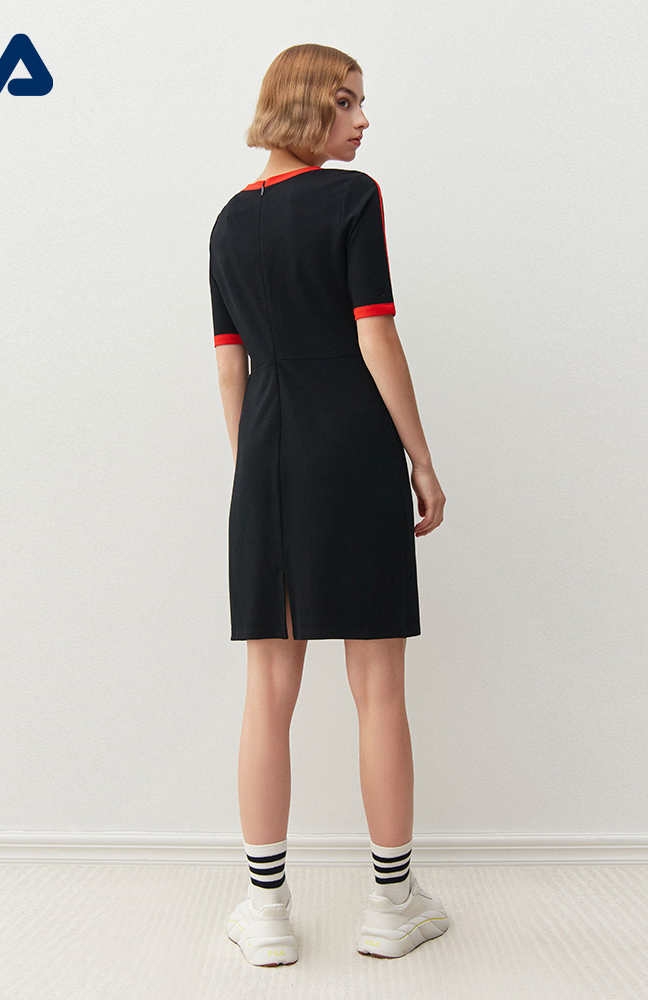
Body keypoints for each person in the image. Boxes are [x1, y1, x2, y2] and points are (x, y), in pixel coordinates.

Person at [210, 44, 449, 965]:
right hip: (352, 451)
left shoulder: (229, 222)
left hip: (267, 460)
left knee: (267, 691)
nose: (362, 119)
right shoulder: (352, 198)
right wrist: (420, 459)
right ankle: (391, 904)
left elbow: (229, 367)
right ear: (307, 105)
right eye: (347, 102)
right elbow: (375, 337)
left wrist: (257, 476)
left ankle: (266, 911)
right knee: (378, 687)